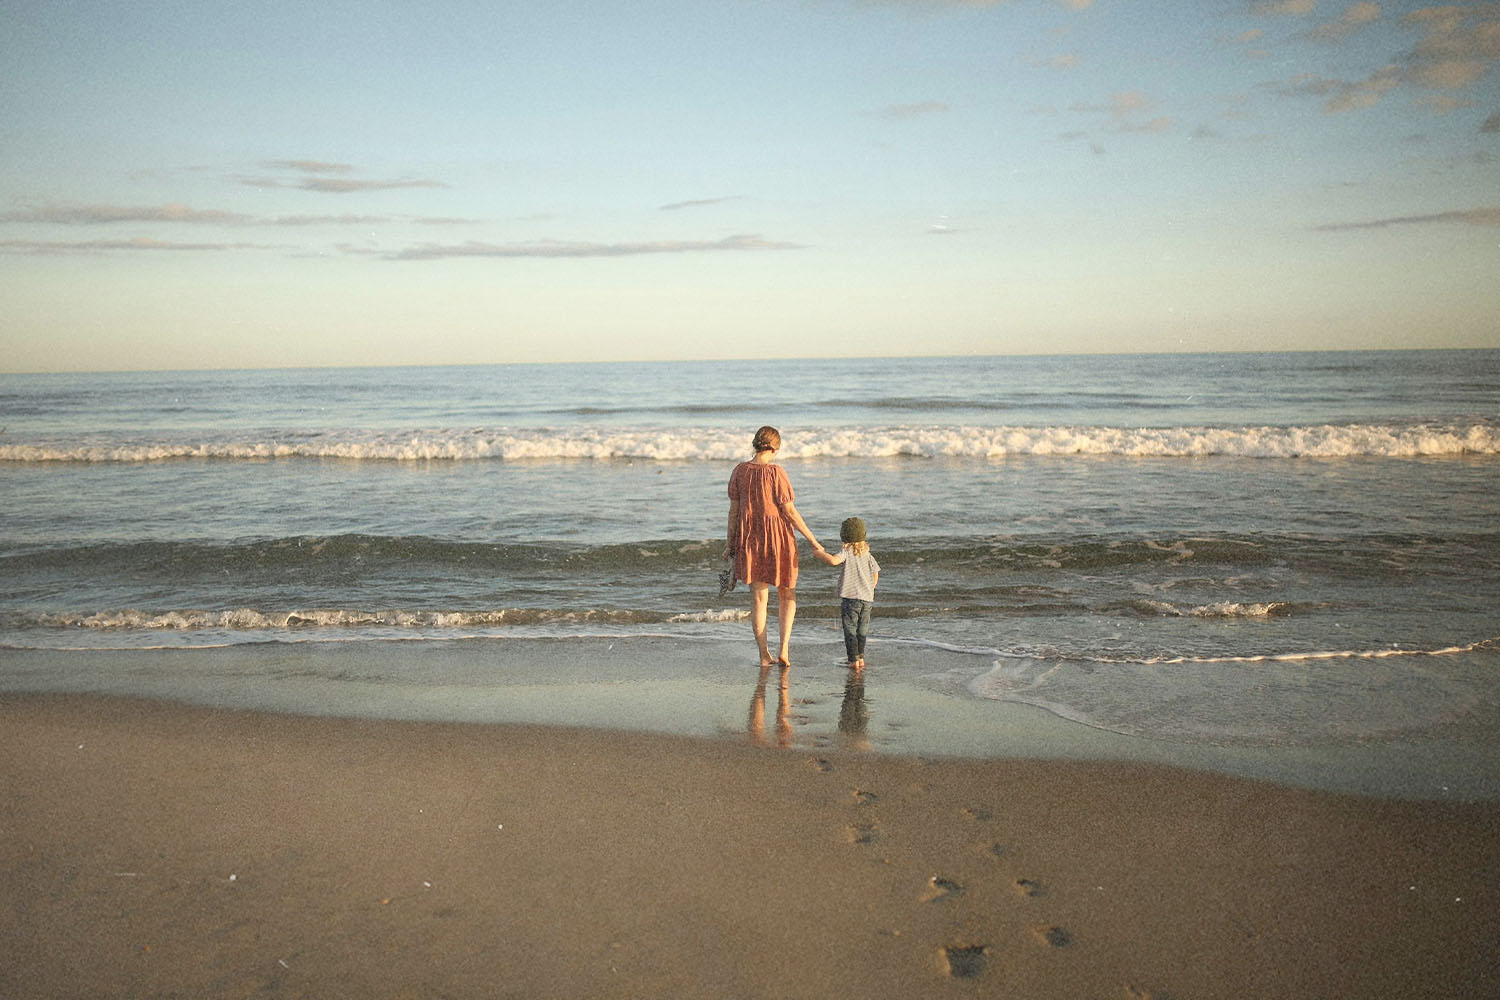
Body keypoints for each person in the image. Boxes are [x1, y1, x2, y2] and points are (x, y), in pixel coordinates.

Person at [725, 426, 825, 667]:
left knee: (759, 599)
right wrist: (813, 540)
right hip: (778, 539)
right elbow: (789, 512)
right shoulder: (776, 472)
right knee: (786, 593)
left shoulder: (739, 471)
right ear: (773, 448)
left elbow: (734, 512)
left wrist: (730, 544)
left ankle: (763, 655)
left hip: (750, 539)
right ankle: (784, 650)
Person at [813, 517, 880, 668]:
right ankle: (861, 658)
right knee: (862, 629)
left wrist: (819, 554)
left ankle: (853, 660)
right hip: (867, 599)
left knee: (850, 629)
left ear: (844, 536)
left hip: (851, 598)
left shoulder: (847, 552)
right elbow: (875, 573)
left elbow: (833, 561)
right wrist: (871, 587)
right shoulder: (867, 554)